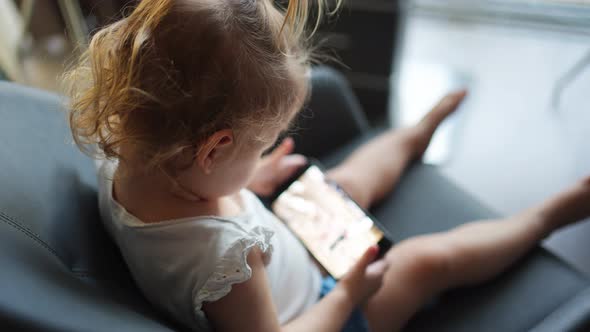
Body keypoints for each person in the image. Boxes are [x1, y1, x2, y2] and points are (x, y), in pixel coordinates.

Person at [63, 0, 590, 331]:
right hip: (320, 307)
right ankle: (547, 217)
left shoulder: (127, 149)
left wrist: (254, 180)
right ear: (214, 150)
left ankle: (415, 135)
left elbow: (210, 191)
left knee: (347, 182)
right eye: (262, 145)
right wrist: (350, 296)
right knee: (424, 262)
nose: (267, 152)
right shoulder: (228, 262)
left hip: (279, 239)